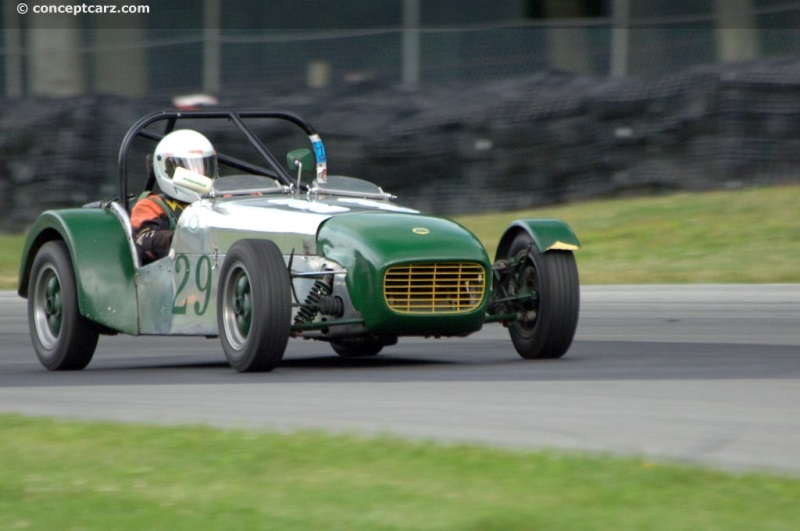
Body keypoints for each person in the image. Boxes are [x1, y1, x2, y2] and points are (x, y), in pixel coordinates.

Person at [131, 129, 218, 264]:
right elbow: (145, 241)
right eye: (189, 167)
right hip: (174, 274)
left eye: (203, 166)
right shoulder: (151, 206)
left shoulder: (220, 198)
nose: (198, 174)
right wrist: (181, 238)